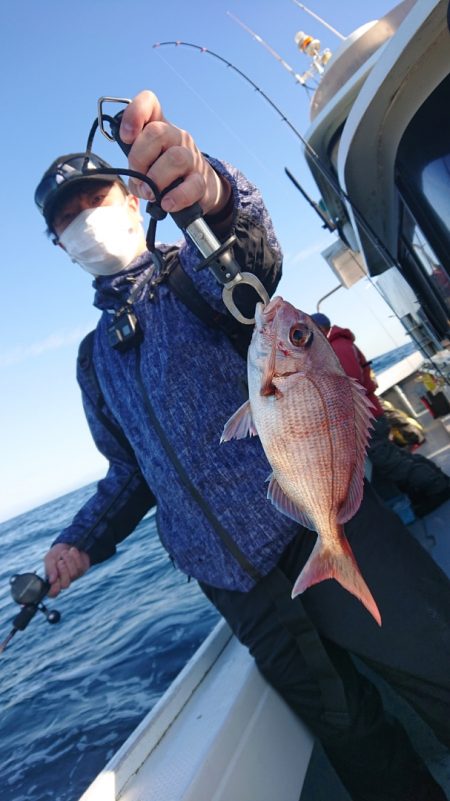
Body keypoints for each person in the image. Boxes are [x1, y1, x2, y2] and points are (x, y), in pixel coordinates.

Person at [36, 90, 450, 801]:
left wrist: (213, 193)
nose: (83, 223)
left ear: (132, 199)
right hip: (237, 588)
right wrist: (80, 541)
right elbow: (130, 473)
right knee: (353, 737)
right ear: (59, 246)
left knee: (437, 662)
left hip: (322, 518)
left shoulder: (192, 272)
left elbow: (249, 259)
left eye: (93, 200)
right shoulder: (92, 358)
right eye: (65, 219)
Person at [311, 312, 450, 517]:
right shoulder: (337, 345)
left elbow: (350, 386)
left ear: (320, 329)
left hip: (367, 418)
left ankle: (436, 487)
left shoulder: (337, 347)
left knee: (388, 461)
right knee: (393, 454)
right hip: (369, 414)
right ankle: (436, 479)